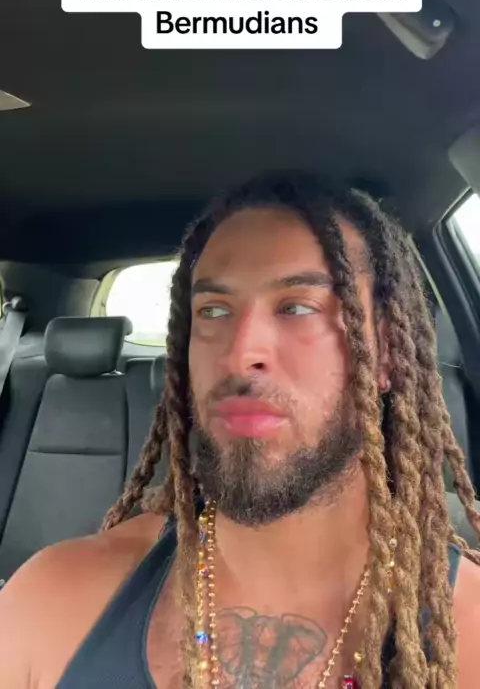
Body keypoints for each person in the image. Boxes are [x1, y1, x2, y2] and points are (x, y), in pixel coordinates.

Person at [1, 171, 479, 689]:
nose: (240, 352)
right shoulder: (53, 601)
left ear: (386, 351)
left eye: (297, 307)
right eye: (214, 311)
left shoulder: (467, 631)